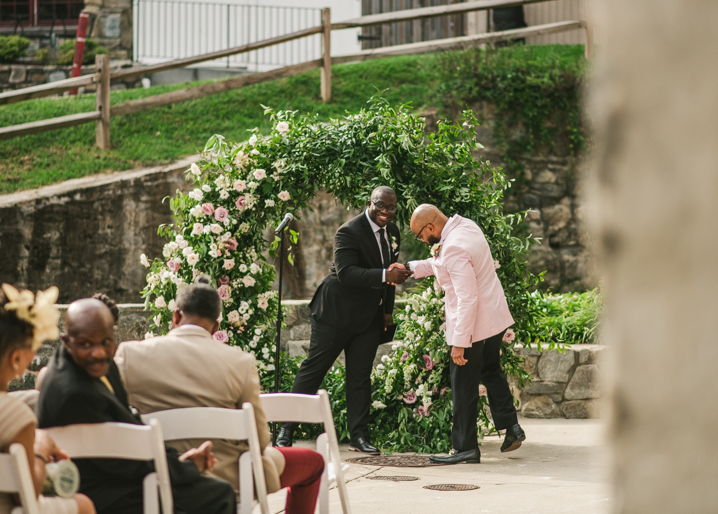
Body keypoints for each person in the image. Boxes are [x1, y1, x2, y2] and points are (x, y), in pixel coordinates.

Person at [115, 276, 325, 514]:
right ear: (216, 327)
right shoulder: (240, 363)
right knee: (314, 462)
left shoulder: (130, 355)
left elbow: (115, 419)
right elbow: (258, 439)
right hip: (229, 480)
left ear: (175, 316)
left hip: (156, 476)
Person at [37, 298, 237, 514]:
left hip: (119, 474)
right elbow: (127, 461)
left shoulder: (95, 364)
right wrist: (187, 468)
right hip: (98, 492)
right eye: (86, 344)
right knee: (218, 493)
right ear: (67, 341)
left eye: (105, 341)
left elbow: (130, 426)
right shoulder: (74, 393)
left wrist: (177, 461)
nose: (98, 352)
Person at [276, 186, 412, 454]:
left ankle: (359, 437)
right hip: (335, 313)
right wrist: (385, 275)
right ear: (369, 203)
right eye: (381, 206)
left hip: (370, 316)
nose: (386, 212)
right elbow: (347, 272)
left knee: (360, 376)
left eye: (392, 208)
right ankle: (285, 430)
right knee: (314, 370)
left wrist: (387, 311)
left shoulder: (393, 232)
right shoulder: (348, 231)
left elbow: (391, 276)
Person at [403, 204, 526, 464]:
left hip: (474, 327)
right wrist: (409, 267)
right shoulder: (466, 226)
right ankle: (512, 427)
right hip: (495, 319)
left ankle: (464, 448)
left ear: (430, 227)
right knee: (491, 370)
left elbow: (467, 299)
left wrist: (459, 342)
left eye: (420, 235)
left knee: (462, 384)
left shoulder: (453, 247)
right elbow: (441, 263)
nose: (422, 240)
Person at [0, 283, 96, 514]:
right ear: (16, 358)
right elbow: (26, 493)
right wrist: (40, 449)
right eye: (33, 347)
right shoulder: (16, 417)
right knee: (84, 504)